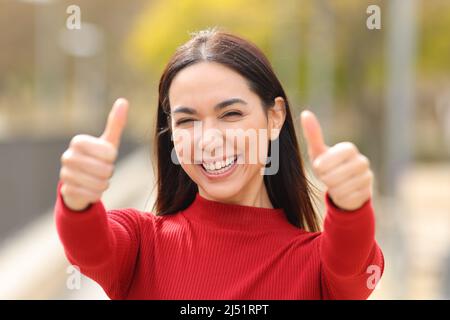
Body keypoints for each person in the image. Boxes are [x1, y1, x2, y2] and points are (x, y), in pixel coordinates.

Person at [54, 28, 384, 299]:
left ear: (275, 117)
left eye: (230, 114)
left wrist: (351, 206)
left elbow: (352, 260)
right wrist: (77, 198)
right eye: (187, 121)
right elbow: (89, 246)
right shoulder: (141, 246)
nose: (209, 139)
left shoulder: (318, 267)